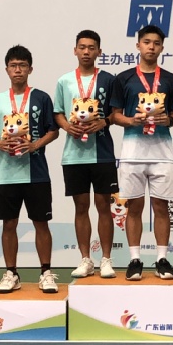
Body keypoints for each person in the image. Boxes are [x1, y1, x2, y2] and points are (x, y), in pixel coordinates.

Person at [0, 45, 60, 294]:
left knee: (41, 223)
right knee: (9, 224)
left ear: (30, 69)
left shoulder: (41, 98)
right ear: (6, 69)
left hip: (36, 172)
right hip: (6, 174)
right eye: (13, 66)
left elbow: (53, 130)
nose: (18, 70)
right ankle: (11, 273)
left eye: (22, 65)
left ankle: (45, 272)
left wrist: (35, 144)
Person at [109, 24, 173, 281]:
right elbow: (114, 115)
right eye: (147, 42)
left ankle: (162, 258)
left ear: (162, 47)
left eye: (156, 43)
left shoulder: (171, 80)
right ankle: (135, 260)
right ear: (138, 45)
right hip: (132, 152)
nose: (151, 47)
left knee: (161, 206)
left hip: (162, 153)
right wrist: (132, 121)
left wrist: (168, 120)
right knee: (134, 207)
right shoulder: (124, 78)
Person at [53, 30, 119, 279]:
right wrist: (66, 126)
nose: (86, 52)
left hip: (102, 153)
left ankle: (106, 259)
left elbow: (116, 112)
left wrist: (104, 122)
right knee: (80, 207)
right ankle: (85, 259)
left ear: (99, 52)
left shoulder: (109, 80)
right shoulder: (65, 81)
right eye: (82, 47)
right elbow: (58, 112)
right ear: (75, 50)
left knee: (103, 206)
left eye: (91, 48)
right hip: (74, 155)